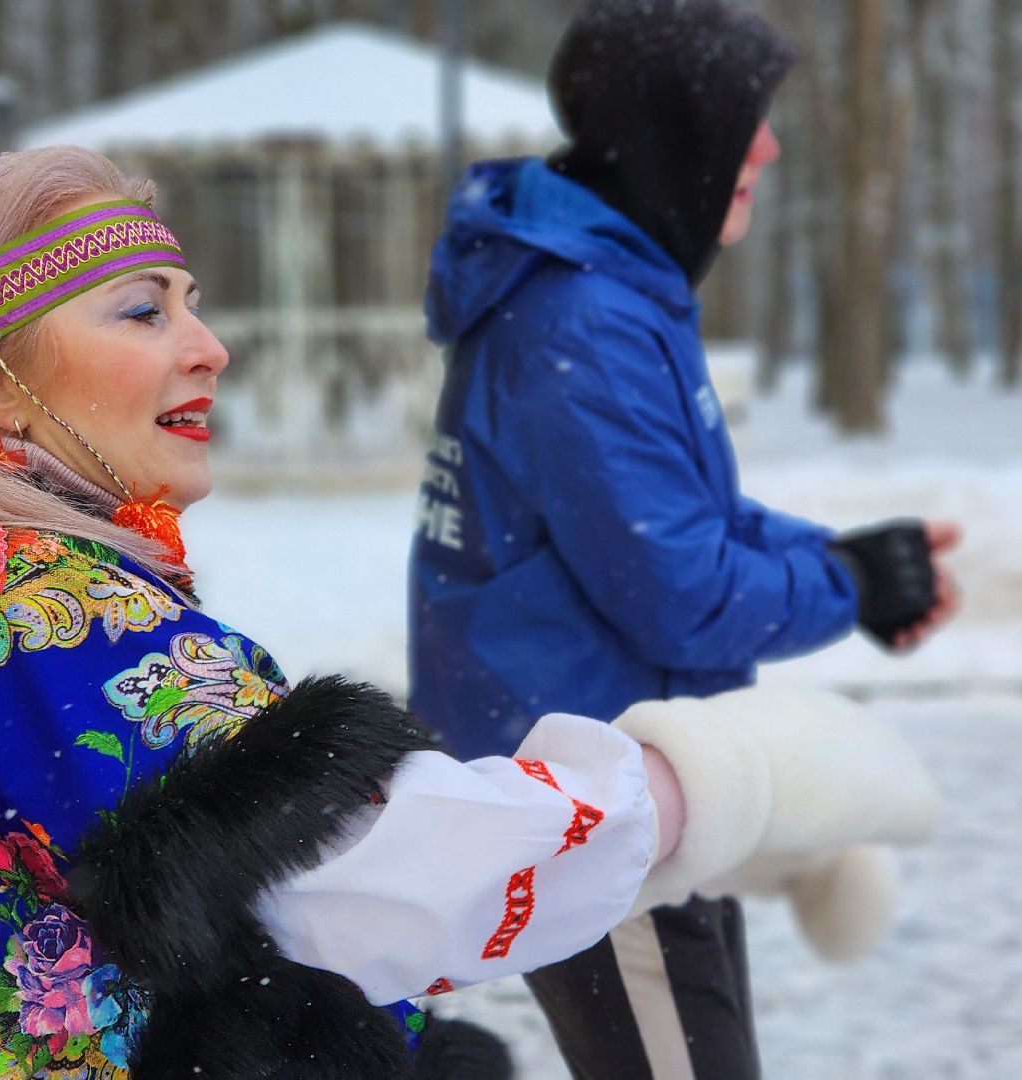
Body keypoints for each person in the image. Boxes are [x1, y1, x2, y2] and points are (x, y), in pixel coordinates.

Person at [0, 146, 931, 1080]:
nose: (210, 347)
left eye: (190, 303)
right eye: (141, 313)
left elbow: (203, 907)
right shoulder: (37, 611)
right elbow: (381, 867)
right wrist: (724, 780)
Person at [408, 2, 960, 1077]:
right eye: (742, 120)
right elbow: (677, 589)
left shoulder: (609, 290)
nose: (769, 146)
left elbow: (681, 521)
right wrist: (846, 585)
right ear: (675, 138)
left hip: (637, 781)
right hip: (591, 803)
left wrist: (855, 567)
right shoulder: (583, 318)